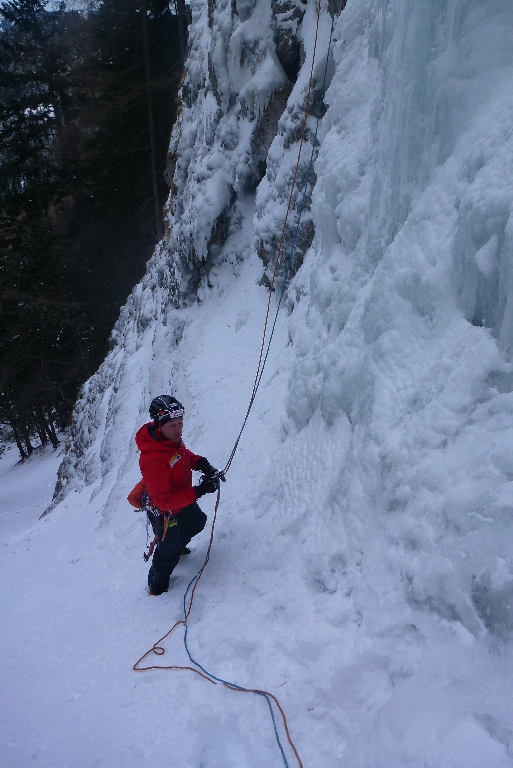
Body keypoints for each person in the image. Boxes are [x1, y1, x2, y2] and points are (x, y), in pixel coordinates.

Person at [132, 395, 220, 595]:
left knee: (197, 521)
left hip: (181, 498)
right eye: (172, 425)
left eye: (180, 423)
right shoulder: (153, 458)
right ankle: (156, 587)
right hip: (165, 510)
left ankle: (177, 546)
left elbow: (184, 456)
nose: (178, 429)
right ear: (159, 424)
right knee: (167, 552)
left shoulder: (171, 440)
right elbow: (163, 501)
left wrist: (202, 464)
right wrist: (200, 490)